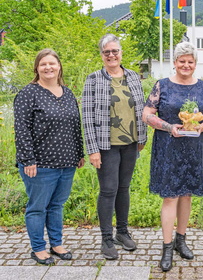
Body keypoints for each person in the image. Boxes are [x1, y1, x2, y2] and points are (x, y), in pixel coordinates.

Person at [142, 42, 203, 272]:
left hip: (194, 147)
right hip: (168, 146)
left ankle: (181, 241)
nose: (186, 65)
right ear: (175, 63)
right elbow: (146, 114)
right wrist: (167, 126)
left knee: (186, 195)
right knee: (170, 197)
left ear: (195, 64)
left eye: (190, 61)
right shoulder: (162, 85)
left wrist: (200, 128)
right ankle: (166, 246)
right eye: (182, 61)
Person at [14, 49, 85, 265]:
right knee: (38, 207)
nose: (48, 67)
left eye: (52, 63)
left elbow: (75, 125)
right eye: (43, 64)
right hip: (40, 164)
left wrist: (79, 153)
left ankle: (56, 244)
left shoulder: (68, 92)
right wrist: (28, 160)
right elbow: (22, 129)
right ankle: (38, 248)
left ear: (59, 66)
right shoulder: (28, 93)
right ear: (37, 68)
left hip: (67, 162)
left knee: (57, 205)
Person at [82, 34, 147, 260]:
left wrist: (142, 138)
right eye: (107, 52)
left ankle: (122, 232)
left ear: (121, 53)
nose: (111, 55)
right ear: (102, 55)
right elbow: (87, 117)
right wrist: (92, 149)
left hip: (130, 143)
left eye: (115, 51)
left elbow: (141, 109)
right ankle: (106, 238)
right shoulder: (93, 79)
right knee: (108, 190)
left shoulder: (132, 76)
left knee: (123, 188)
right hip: (106, 145)